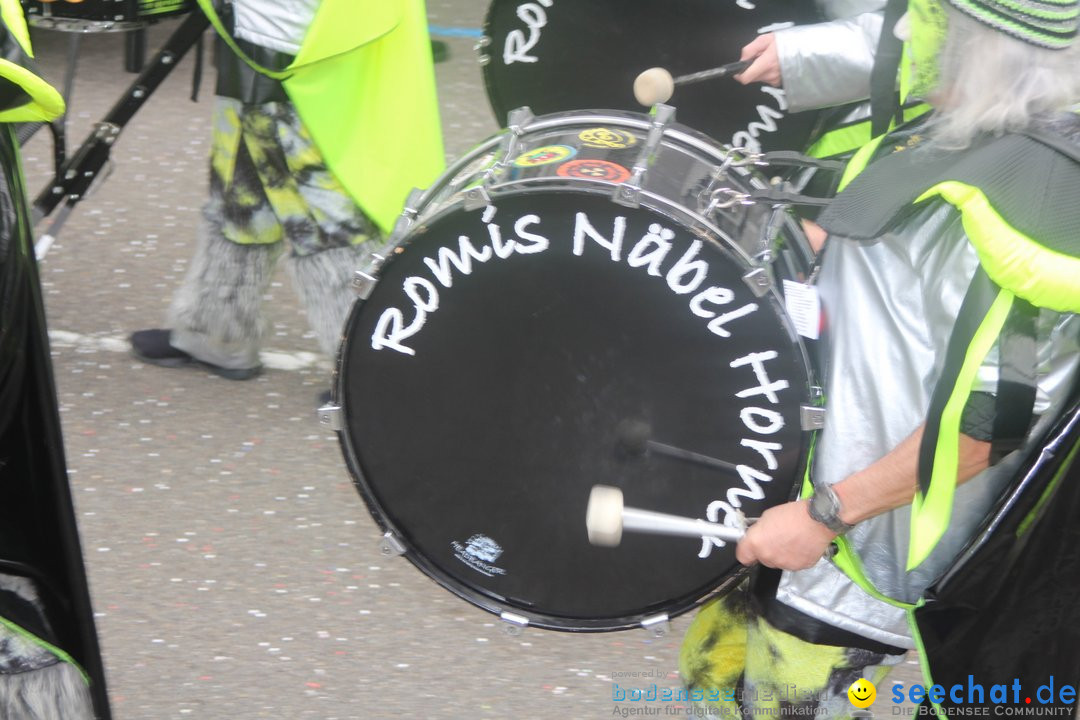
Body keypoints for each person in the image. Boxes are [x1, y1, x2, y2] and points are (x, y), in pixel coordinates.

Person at [681, 0, 1080, 714]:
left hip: (868, 550)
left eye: (928, 18)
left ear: (985, 49)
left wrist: (823, 516)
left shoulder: (1039, 209)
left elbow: (990, 424)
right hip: (821, 501)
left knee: (782, 701)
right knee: (719, 681)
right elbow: (897, 262)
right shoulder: (974, 122)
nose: (901, 33)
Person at [130, 0, 444, 387]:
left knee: (325, 224)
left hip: (285, 48)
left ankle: (374, 371)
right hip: (263, 37)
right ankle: (217, 332)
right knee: (242, 203)